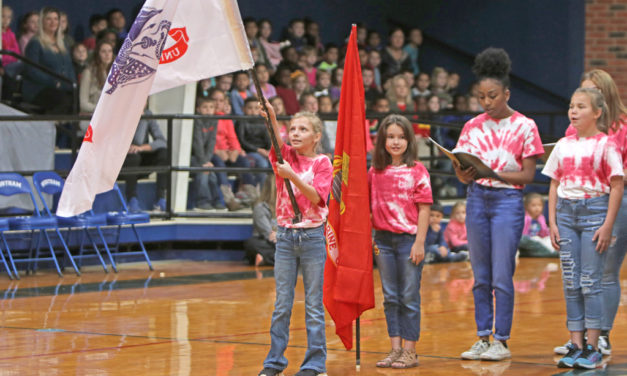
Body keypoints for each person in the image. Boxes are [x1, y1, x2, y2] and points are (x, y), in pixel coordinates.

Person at [453, 48, 544, 361]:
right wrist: (464, 173)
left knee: (502, 274)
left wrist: (494, 173)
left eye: (492, 95)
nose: (486, 102)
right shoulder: (471, 126)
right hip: (477, 196)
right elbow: (463, 172)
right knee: (480, 274)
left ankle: (501, 341)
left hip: (507, 200)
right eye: (481, 97)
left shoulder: (525, 126)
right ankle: (482, 336)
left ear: (506, 93)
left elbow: (529, 174)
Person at [543, 87, 624, 369]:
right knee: (571, 281)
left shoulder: (607, 144)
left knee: (591, 281)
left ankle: (593, 347)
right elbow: (554, 182)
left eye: (581, 106)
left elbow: (616, 184)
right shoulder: (564, 144)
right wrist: (552, 221)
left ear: (597, 113)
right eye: (571, 106)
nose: (573, 111)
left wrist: (607, 224)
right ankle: (575, 345)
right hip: (566, 215)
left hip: (594, 212)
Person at [257, 101, 333, 376]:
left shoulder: (322, 162)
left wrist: (292, 176)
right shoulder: (283, 154)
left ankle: (315, 364)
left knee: (313, 304)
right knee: (282, 304)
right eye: (293, 128)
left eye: (303, 129)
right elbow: (275, 140)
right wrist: (273, 117)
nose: (296, 133)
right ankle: (274, 362)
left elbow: (317, 197)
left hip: (312, 237)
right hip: (287, 238)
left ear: (316, 137)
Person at [369, 114, 431, 369]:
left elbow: (425, 209)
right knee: (390, 296)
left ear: (409, 140)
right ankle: (395, 349)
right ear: (382, 140)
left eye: (401, 137)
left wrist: (419, 242)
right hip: (382, 240)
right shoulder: (375, 171)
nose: (395, 142)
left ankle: (410, 350)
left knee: (408, 295)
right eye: (390, 137)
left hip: (408, 240)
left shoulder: (417, 170)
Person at [21, 7, 75, 114]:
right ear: (42, 22)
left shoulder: (63, 43)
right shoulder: (35, 43)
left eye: (56, 19)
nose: (53, 22)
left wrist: (73, 84)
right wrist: (54, 82)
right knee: (63, 100)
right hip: (38, 88)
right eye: (49, 19)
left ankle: (65, 129)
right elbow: (32, 71)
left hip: (61, 87)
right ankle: (49, 127)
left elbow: (69, 68)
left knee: (75, 98)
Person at [209, 88, 257, 206]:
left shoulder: (226, 118)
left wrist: (235, 150)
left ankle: (252, 196)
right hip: (213, 154)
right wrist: (216, 151)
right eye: (214, 100)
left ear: (224, 103)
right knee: (219, 164)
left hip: (228, 153)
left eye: (220, 100)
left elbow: (232, 138)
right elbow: (207, 140)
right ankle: (228, 198)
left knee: (244, 162)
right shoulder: (206, 117)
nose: (217, 103)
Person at [121, 106, 169, 213]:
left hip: (140, 159)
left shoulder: (147, 114)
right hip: (123, 163)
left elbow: (162, 141)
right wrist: (140, 120)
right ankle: (131, 200)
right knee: (134, 156)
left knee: (164, 153)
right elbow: (136, 140)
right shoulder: (121, 112)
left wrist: (142, 148)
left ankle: (160, 199)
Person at [191, 97, 229, 211]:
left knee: (211, 173)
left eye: (211, 107)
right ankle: (202, 202)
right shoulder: (196, 120)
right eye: (205, 107)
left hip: (205, 157)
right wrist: (204, 162)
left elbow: (212, 142)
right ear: (198, 109)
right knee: (204, 171)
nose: (208, 110)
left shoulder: (214, 120)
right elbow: (196, 143)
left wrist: (207, 161)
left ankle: (217, 201)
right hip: (193, 156)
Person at [79, 40, 114, 132]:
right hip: (91, 116)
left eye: (109, 51)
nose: (107, 54)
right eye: (103, 51)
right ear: (97, 54)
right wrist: (102, 109)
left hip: (110, 117)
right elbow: (83, 104)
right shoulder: (88, 73)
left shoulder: (115, 73)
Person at [238, 97, 271, 186]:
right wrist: (258, 150)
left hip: (262, 151)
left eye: (256, 108)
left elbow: (267, 138)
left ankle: (274, 193)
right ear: (243, 109)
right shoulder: (241, 121)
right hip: (250, 151)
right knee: (262, 163)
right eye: (250, 108)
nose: (253, 111)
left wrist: (269, 150)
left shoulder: (261, 121)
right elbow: (242, 140)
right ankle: (260, 191)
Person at [244, 175, 277, 266]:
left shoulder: (287, 207)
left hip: (284, 241)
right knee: (252, 243)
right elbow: (268, 233)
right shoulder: (260, 208)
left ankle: (266, 259)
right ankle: (279, 259)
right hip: (269, 242)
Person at [518, 193, 557, 258]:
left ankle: (551, 252)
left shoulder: (541, 218)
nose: (537, 208)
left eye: (539, 205)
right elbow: (523, 235)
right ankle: (550, 254)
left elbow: (544, 234)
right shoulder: (525, 218)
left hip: (539, 239)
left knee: (549, 240)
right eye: (533, 205)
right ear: (526, 207)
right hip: (529, 241)